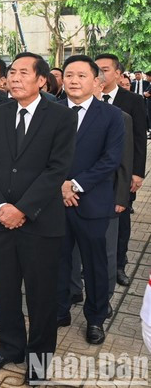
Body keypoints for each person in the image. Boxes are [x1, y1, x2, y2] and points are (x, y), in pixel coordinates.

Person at [0, 52, 76, 382]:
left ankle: (38, 362)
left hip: (40, 222)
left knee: (41, 296)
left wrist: (21, 209)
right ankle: (10, 347)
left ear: (41, 80)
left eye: (23, 72)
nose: (14, 78)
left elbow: (56, 169)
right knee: (4, 291)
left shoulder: (60, 117)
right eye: (12, 72)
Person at [56, 55, 123, 346]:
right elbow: (40, 156)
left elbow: (111, 160)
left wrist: (76, 185)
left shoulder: (111, 116)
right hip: (54, 202)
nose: (73, 80)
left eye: (81, 76)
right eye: (69, 75)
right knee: (56, 262)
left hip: (92, 202)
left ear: (97, 81)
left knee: (95, 266)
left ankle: (95, 318)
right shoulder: (50, 110)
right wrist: (60, 186)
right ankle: (59, 310)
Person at [95, 54, 146, 288]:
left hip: (122, 174)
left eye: (105, 69)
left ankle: (118, 265)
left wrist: (137, 173)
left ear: (118, 73)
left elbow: (138, 139)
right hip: (95, 174)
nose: (101, 74)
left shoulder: (132, 100)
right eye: (97, 70)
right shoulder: (84, 98)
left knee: (121, 219)